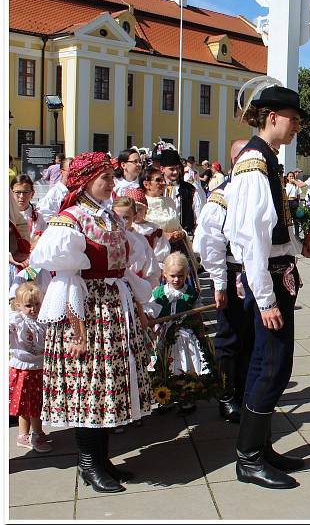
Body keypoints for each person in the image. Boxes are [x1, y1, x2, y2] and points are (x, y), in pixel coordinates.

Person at [29, 152, 153, 493]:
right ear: (85, 182)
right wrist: (78, 329)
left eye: (112, 178)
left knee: (108, 387)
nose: (112, 183)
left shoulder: (108, 216)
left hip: (113, 307)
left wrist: (139, 305)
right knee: (90, 387)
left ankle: (102, 459)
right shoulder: (70, 220)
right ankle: (89, 463)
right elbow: (64, 279)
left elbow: (123, 267)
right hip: (87, 311)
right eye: (105, 178)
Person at [223, 84, 310, 490]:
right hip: (267, 280)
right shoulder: (253, 164)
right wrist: (265, 299)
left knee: (273, 365)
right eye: (294, 118)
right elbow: (249, 238)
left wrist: (302, 246)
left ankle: (260, 448)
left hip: (279, 273)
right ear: (271, 117)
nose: (298, 126)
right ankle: (248, 458)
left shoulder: (267, 161)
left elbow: (273, 232)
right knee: (271, 366)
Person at [194, 139, 252, 424]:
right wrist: (218, 283)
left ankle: (244, 392)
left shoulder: (257, 190)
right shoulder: (221, 197)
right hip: (231, 272)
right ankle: (227, 396)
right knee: (230, 338)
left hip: (256, 273)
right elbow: (209, 244)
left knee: (252, 337)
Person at [146, 251, 214, 415]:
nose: (177, 280)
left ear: (187, 274)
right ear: (165, 274)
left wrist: (199, 329)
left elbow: (197, 314)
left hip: (184, 338)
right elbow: (151, 313)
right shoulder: (158, 294)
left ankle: (186, 400)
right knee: (162, 367)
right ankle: (165, 399)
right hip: (164, 336)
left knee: (183, 367)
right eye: (173, 276)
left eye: (181, 276)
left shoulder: (191, 293)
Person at [9, 282, 53, 453]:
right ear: (19, 306)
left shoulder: (42, 320)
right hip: (25, 369)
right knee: (31, 405)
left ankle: (28, 434)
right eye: (28, 305)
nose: (33, 309)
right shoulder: (17, 321)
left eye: (37, 304)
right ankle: (34, 433)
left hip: (39, 367)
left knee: (34, 403)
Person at [140, 166, 199, 289]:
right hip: (156, 253)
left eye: (162, 179)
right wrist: (163, 235)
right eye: (158, 180)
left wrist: (181, 233)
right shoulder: (142, 203)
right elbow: (139, 228)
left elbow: (176, 224)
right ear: (146, 184)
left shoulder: (169, 201)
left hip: (177, 249)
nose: (163, 183)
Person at [159, 149, 205, 235]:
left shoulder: (190, 190)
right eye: (171, 169)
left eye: (177, 168)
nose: (176, 172)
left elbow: (198, 217)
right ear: (162, 169)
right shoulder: (156, 189)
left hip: (183, 237)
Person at [126, 187, 171, 268]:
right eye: (132, 209)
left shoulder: (154, 230)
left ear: (146, 210)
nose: (136, 213)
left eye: (139, 209)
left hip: (150, 267)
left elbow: (161, 252)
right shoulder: (125, 228)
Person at [38, 157, 72, 223]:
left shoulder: (78, 191)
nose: (74, 173)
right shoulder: (54, 193)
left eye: (76, 171)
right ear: (61, 172)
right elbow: (45, 216)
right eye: (70, 170)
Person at [285, 170, 302, 237]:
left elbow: (298, 195)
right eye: (290, 176)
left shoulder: (296, 186)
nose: (291, 178)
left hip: (294, 202)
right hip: (288, 202)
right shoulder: (285, 185)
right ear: (287, 177)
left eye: (292, 176)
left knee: (296, 220)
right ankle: (288, 235)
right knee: (288, 220)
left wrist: (298, 203)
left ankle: (297, 235)